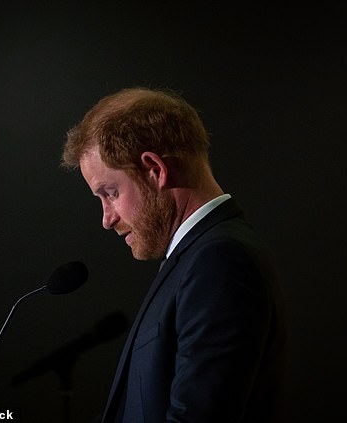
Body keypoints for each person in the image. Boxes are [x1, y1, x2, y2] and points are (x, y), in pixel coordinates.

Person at [61, 87, 287, 422]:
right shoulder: (196, 257)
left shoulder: (220, 261)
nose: (107, 219)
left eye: (110, 192)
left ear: (155, 169)